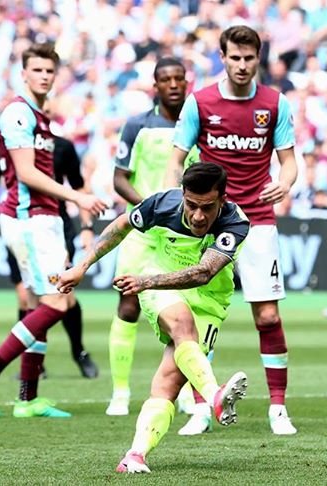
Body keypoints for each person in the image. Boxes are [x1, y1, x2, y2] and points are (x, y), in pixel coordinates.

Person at [57, 163, 249, 473]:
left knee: (168, 384)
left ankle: (135, 455)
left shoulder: (235, 222)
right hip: (160, 284)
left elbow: (204, 273)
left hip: (209, 301)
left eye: (208, 208)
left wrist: (149, 282)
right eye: (192, 205)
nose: (199, 216)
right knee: (181, 324)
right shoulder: (162, 204)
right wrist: (82, 266)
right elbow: (121, 226)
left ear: (223, 200)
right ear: (183, 195)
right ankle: (214, 396)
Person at [166, 25, 298, 435]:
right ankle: (202, 407)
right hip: (209, 224)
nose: (242, 65)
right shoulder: (200, 102)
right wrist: (178, 203)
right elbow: (176, 159)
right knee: (198, 320)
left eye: (249, 58)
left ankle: (278, 408)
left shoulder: (274, 104)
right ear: (222, 58)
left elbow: (289, 160)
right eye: (235, 58)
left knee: (267, 315)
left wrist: (287, 180)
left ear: (258, 58)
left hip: (257, 219)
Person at [0, 42, 107, 418]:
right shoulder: (17, 113)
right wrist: (78, 196)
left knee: (46, 302)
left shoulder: (40, 116)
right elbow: (26, 173)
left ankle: (27, 399)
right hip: (29, 219)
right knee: (58, 302)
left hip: (44, 220)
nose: (44, 76)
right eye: (37, 70)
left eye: (49, 70)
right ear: (23, 73)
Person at [106, 57, 199, 416]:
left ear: (186, 82)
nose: (174, 84)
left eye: (179, 78)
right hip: (142, 231)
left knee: (183, 313)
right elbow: (119, 178)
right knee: (128, 305)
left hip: (182, 235)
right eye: (166, 79)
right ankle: (120, 392)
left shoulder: (197, 126)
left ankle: (187, 393)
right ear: (155, 85)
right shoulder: (137, 126)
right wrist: (151, 208)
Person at [0, 132, 99, 379]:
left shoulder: (62, 147)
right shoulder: (7, 145)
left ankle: (79, 351)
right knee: (26, 298)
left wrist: (87, 227)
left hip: (54, 227)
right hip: (19, 226)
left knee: (62, 295)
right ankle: (33, 368)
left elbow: (79, 186)